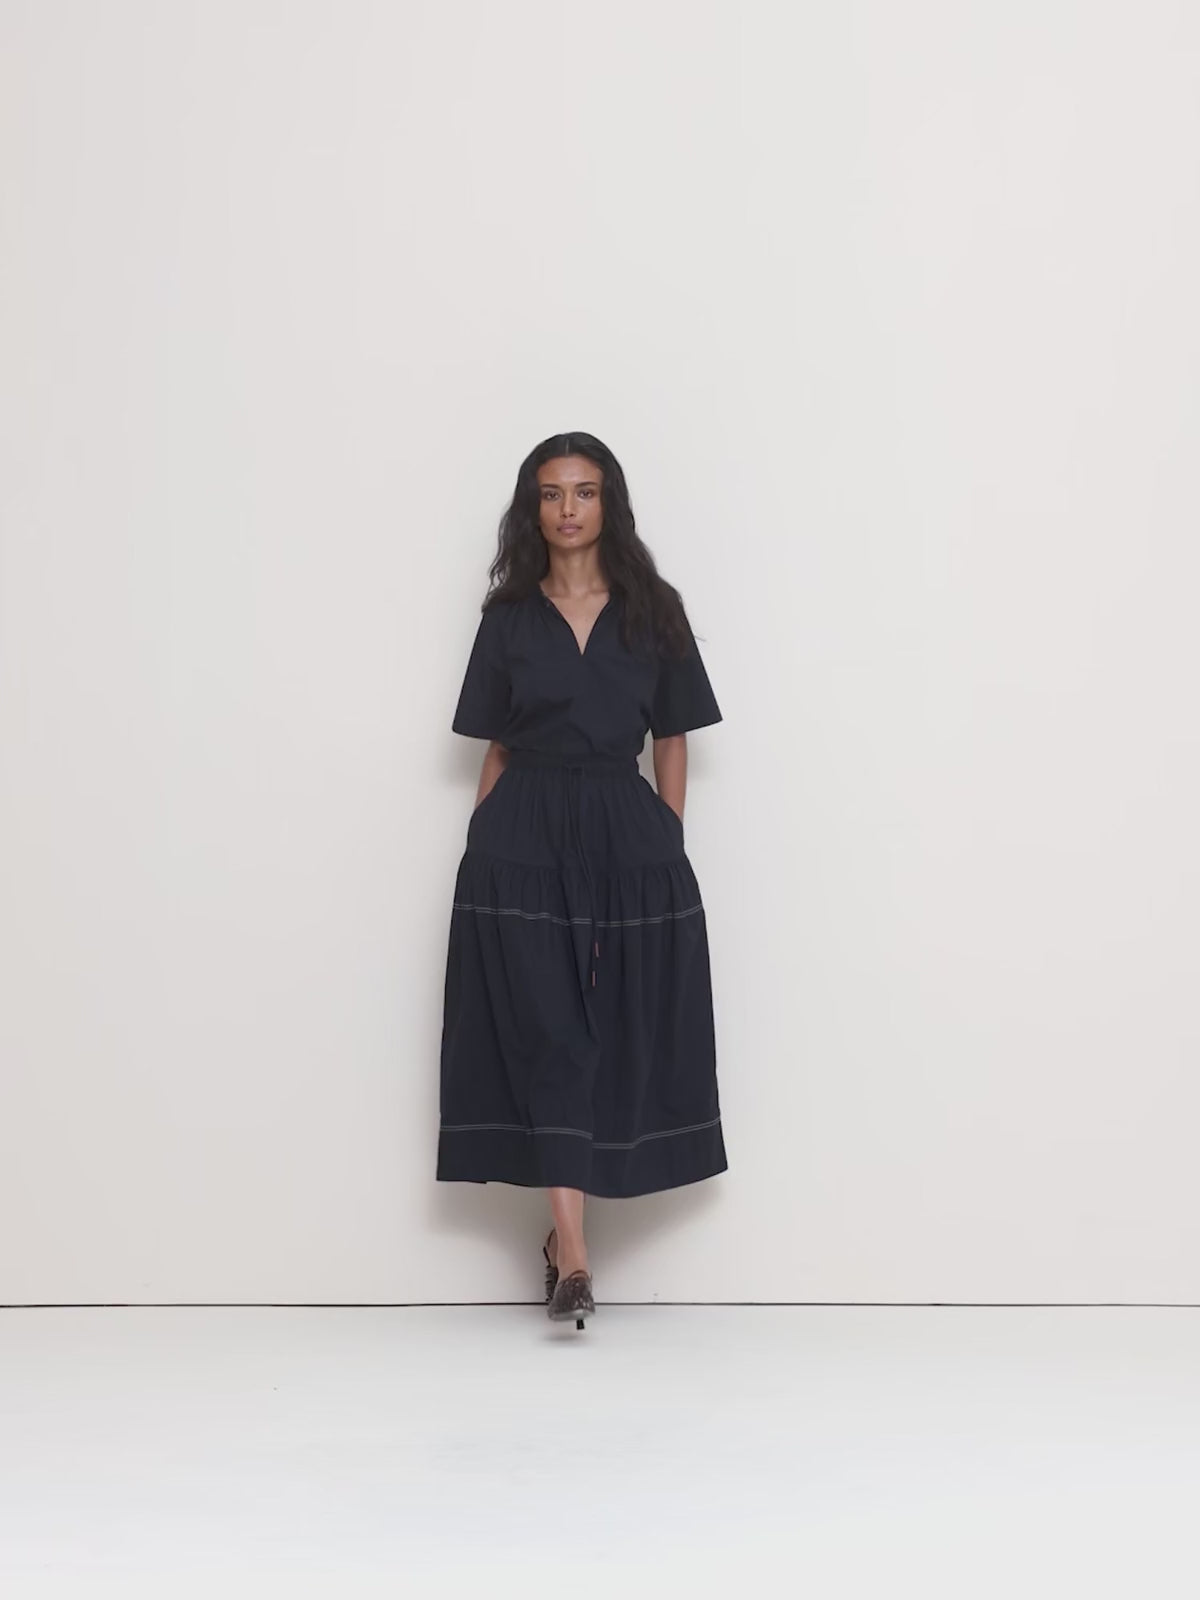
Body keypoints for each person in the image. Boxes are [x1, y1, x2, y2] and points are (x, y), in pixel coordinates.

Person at [438, 431, 726, 1329]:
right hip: (520, 836)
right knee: (549, 1033)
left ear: (610, 504)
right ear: (533, 510)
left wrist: (667, 835)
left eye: (585, 492)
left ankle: (564, 1244)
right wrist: (483, 843)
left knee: (608, 1032)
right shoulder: (508, 619)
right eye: (552, 493)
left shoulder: (652, 609)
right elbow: (496, 746)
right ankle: (574, 1253)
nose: (568, 509)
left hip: (623, 835)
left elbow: (672, 735)